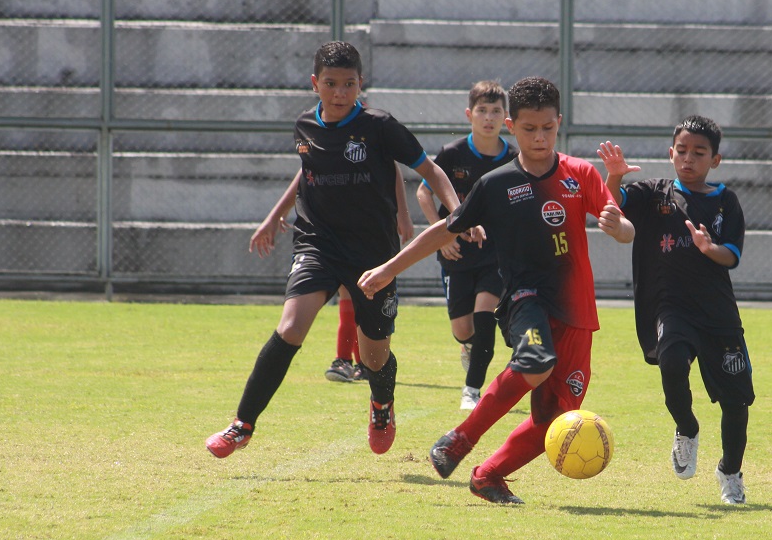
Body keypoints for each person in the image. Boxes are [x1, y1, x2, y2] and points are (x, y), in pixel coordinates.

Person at [358, 76, 635, 504]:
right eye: (529, 129)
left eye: (547, 128)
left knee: (555, 418)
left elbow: (622, 225)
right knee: (536, 361)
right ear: (511, 125)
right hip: (526, 300)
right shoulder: (497, 184)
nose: (539, 137)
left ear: (559, 123)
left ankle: (488, 476)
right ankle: (458, 440)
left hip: (579, 315)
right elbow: (442, 231)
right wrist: (388, 269)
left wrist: (620, 226)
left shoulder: (580, 173)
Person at [205, 40, 460, 458]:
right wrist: (274, 216)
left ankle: (381, 403)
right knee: (290, 327)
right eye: (330, 83)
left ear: (361, 84)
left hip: (374, 255)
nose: (340, 93)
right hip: (317, 243)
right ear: (314, 84)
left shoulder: (380, 126)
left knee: (374, 356)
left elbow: (429, 169)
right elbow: (307, 171)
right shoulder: (304, 126)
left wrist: (458, 211)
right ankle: (241, 424)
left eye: (349, 84)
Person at [597, 116, 754, 505]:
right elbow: (612, 204)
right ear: (670, 154)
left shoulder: (725, 202)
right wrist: (614, 176)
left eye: (698, 153)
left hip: (717, 315)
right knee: (671, 364)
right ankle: (687, 427)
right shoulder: (653, 194)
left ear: (714, 160)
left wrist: (708, 249)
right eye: (681, 151)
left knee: (736, 404)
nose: (688, 159)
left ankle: (730, 472)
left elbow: (731, 257)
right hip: (671, 308)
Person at [251, 166, 409, 384]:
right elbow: (306, 170)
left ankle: (358, 363)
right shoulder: (322, 140)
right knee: (349, 300)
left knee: (362, 300)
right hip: (334, 235)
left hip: (369, 234)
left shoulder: (373, 138)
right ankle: (345, 360)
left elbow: (393, 168)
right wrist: (277, 214)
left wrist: (403, 214)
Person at [416, 81, 518, 410]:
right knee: (463, 329)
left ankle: (472, 391)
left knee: (485, 316)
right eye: (482, 111)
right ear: (469, 115)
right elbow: (423, 192)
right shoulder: (452, 154)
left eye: (496, 111)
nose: (489, 118)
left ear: (506, 117)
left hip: (495, 254)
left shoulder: (515, 159)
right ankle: (470, 347)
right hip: (456, 252)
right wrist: (440, 237)